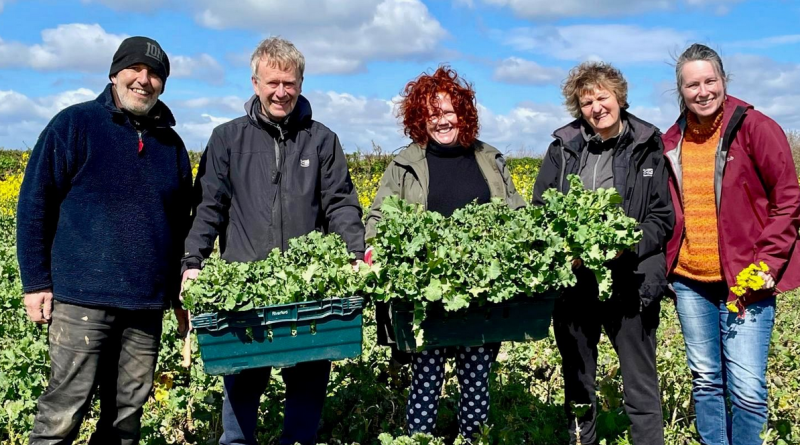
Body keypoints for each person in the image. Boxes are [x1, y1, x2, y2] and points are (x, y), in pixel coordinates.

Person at [181, 37, 365, 445]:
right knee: (241, 400)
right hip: (245, 291)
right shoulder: (228, 138)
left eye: (290, 83)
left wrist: (354, 254)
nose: (281, 92)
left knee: (306, 397)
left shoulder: (321, 140)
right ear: (255, 82)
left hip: (309, 291)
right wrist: (192, 261)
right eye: (272, 82)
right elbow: (209, 206)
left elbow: (339, 204)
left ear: (301, 83)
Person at [16, 36, 192, 445]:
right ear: (115, 74)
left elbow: (180, 227)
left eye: (155, 74)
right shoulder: (75, 125)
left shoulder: (172, 145)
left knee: (126, 418)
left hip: (145, 307)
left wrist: (179, 299)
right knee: (63, 413)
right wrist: (36, 282)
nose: (144, 80)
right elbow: (33, 205)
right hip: (81, 300)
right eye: (135, 70)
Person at [365, 66, 526, 440]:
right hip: (426, 296)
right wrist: (374, 249)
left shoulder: (488, 158)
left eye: (449, 111)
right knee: (425, 382)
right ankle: (420, 439)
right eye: (432, 113)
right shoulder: (405, 164)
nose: (442, 121)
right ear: (420, 119)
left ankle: (473, 438)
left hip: (482, 294)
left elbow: (518, 214)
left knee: (476, 385)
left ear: (463, 113)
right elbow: (377, 215)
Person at [663, 44, 800, 445]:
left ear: (724, 81)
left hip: (746, 280)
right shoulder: (673, 139)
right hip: (690, 280)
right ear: (681, 91)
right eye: (693, 84)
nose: (703, 91)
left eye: (710, 81)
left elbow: (788, 199)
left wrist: (766, 266)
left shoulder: (755, 127)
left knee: (746, 386)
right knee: (705, 379)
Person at [531, 62, 673, 445]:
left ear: (619, 97)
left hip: (632, 280)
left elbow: (662, 217)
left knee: (640, 386)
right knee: (578, 384)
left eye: (602, 97)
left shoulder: (648, 144)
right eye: (586, 101)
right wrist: (565, 246)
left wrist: (627, 244)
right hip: (577, 282)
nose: (596, 107)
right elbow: (542, 208)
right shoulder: (563, 147)